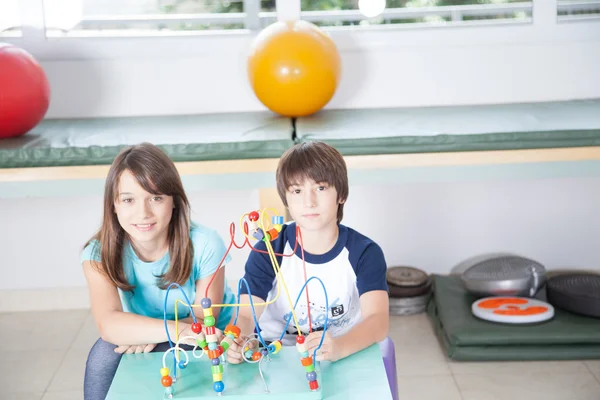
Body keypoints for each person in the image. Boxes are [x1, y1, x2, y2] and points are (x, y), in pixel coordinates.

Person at [81, 142, 235, 400]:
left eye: (156, 198)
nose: (143, 213)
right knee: (103, 353)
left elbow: (202, 318)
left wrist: (155, 333)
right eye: (129, 200)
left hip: (208, 338)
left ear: (174, 201)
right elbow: (108, 323)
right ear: (113, 205)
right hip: (164, 332)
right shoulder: (98, 253)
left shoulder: (206, 243)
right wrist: (167, 331)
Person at [226, 141, 389, 364]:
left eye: (320, 188)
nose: (309, 202)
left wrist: (339, 348)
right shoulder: (269, 248)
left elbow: (378, 321)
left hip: (343, 353)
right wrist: (238, 341)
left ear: (341, 194)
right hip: (276, 355)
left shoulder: (365, 253)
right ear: (286, 199)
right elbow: (246, 314)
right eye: (297, 190)